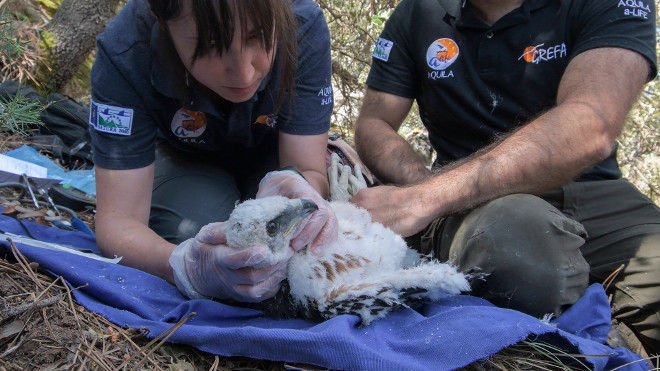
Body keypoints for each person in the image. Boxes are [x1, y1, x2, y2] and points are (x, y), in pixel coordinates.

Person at [351, 0, 659, 355]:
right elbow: (375, 123)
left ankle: (615, 332)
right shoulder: (418, 13)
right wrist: (421, 184)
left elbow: (590, 125)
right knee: (517, 246)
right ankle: (589, 341)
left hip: (596, 191)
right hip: (475, 203)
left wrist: (424, 197)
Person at [88, 0, 337, 303]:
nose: (244, 74)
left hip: (274, 153)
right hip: (185, 156)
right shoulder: (126, 50)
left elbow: (306, 167)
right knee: (211, 242)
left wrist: (301, 187)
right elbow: (118, 221)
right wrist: (182, 265)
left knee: (297, 247)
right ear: (161, 20)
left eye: (259, 36)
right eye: (211, 44)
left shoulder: (303, 24)